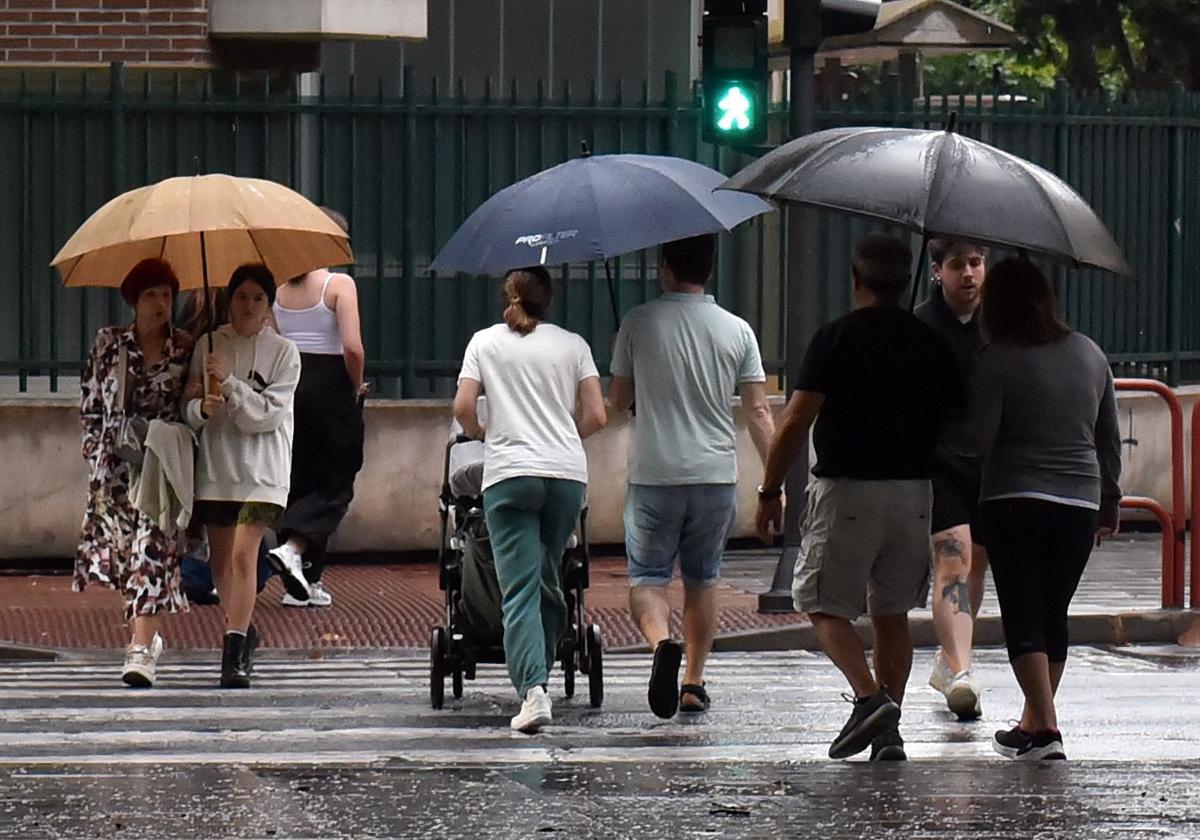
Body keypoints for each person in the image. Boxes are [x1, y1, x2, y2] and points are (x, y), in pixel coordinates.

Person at [755, 234, 964, 761]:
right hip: (915, 492)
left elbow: (795, 420)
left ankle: (870, 699)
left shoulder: (836, 338)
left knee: (821, 605)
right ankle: (888, 733)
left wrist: (770, 489)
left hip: (847, 491)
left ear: (856, 280)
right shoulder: (931, 344)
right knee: (891, 613)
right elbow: (957, 420)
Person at [608, 233, 774, 719]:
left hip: (655, 475)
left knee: (648, 580)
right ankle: (694, 682)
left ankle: (662, 644)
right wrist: (774, 482)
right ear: (710, 268)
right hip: (714, 475)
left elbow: (617, 401)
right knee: (703, 582)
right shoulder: (737, 330)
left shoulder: (637, 322)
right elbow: (759, 411)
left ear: (663, 265)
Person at [970, 258, 1121, 761]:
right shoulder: (1090, 354)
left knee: (1023, 612)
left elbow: (980, 440)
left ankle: (1047, 729)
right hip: (1079, 501)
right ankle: (1032, 721)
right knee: (1054, 611)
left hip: (1013, 499)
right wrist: (1111, 499)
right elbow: (1108, 439)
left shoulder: (996, 360)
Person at [453, 267, 606, 733]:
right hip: (564, 474)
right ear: (550, 299)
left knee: (518, 587)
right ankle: (551, 648)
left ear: (509, 295)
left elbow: (462, 408)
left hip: (510, 473)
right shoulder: (574, 344)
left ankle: (534, 692)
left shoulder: (484, 342)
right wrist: (562, 435)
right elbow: (597, 415)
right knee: (548, 570)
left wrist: (483, 432)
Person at [76, 258, 194, 688]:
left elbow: (191, 407)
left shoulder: (185, 346)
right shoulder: (110, 342)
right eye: (151, 295)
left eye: (166, 294)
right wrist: (94, 454)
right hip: (116, 467)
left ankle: (140, 649)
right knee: (128, 558)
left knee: (151, 547)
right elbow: (90, 401)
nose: (161, 303)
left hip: (161, 466)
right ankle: (149, 635)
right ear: (134, 300)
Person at [184, 263, 302, 688]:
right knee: (220, 564)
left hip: (264, 471)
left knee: (242, 555)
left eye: (258, 298)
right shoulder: (208, 345)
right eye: (241, 296)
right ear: (228, 300)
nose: (248, 306)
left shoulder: (286, 354)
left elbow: (267, 416)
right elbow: (188, 407)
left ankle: (233, 653)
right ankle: (245, 628)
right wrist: (202, 409)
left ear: (270, 307)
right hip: (218, 468)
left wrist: (231, 383)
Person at [269, 208, 366, 608]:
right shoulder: (338, 285)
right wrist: (356, 385)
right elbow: (352, 346)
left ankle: (307, 579)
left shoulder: (278, 289)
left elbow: (274, 339)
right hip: (331, 386)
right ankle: (294, 548)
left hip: (292, 382)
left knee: (297, 476)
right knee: (337, 478)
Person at [913, 239, 989, 719]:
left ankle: (949, 659)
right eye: (958, 264)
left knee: (978, 563)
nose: (968, 274)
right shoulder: (920, 325)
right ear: (937, 269)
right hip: (938, 462)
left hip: (989, 462)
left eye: (977, 263)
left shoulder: (1000, 324)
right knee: (953, 562)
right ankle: (962, 672)